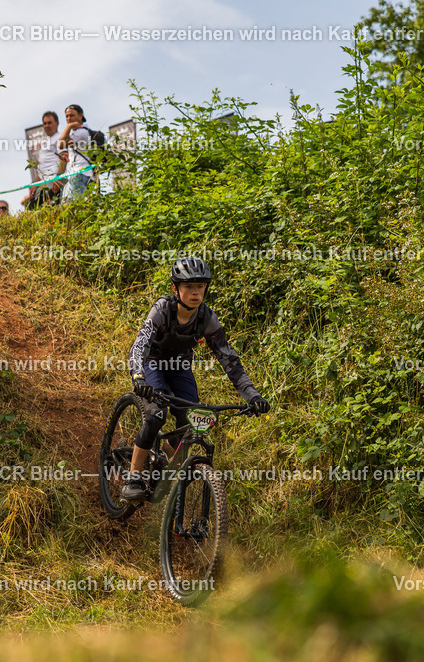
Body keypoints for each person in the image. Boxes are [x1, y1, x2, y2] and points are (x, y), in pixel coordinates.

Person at [122, 257, 270, 501]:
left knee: (193, 421)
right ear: (175, 288)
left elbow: (229, 360)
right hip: (151, 363)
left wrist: (252, 395)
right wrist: (138, 377)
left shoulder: (207, 318)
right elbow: (139, 346)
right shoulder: (162, 310)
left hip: (179, 366)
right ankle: (134, 476)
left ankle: (164, 457)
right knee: (156, 413)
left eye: (200, 286)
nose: (195, 292)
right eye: (189, 286)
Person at [26, 111, 66, 208]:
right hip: (43, 184)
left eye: (49, 122)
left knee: (54, 211)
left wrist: (58, 178)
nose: (47, 125)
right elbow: (41, 167)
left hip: (54, 182)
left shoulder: (60, 138)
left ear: (57, 123)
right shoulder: (45, 144)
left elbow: (64, 158)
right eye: (45, 123)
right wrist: (35, 184)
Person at [57, 104, 96, 200]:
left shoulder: (81, 132)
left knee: (74, 204)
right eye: (67, 116)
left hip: (80, 173)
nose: (69, 118)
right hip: (84, 173)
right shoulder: (80, 132)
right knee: (81, 202)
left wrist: (69, 126)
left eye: (72, 115)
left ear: (80, 116)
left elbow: (60, 144)